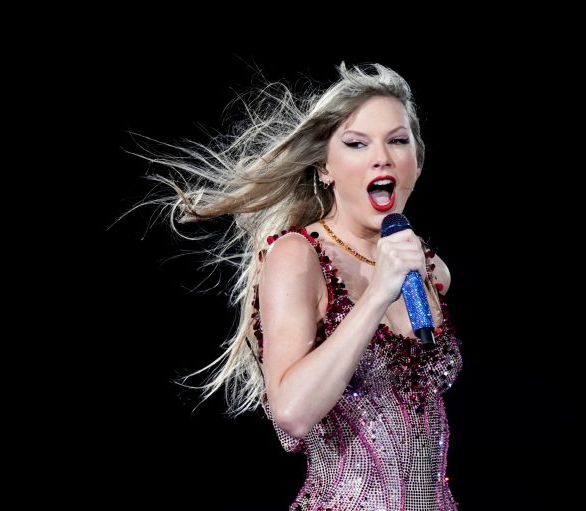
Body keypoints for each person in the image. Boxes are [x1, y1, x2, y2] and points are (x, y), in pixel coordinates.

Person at [136, 62, 462, 510]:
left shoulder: (428, 269)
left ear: (416, 163)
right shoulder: (299, 255)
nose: (381, 156)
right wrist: (376, 296)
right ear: (325, 168)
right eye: (356, 143)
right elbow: (291, 416)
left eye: (398, 140)